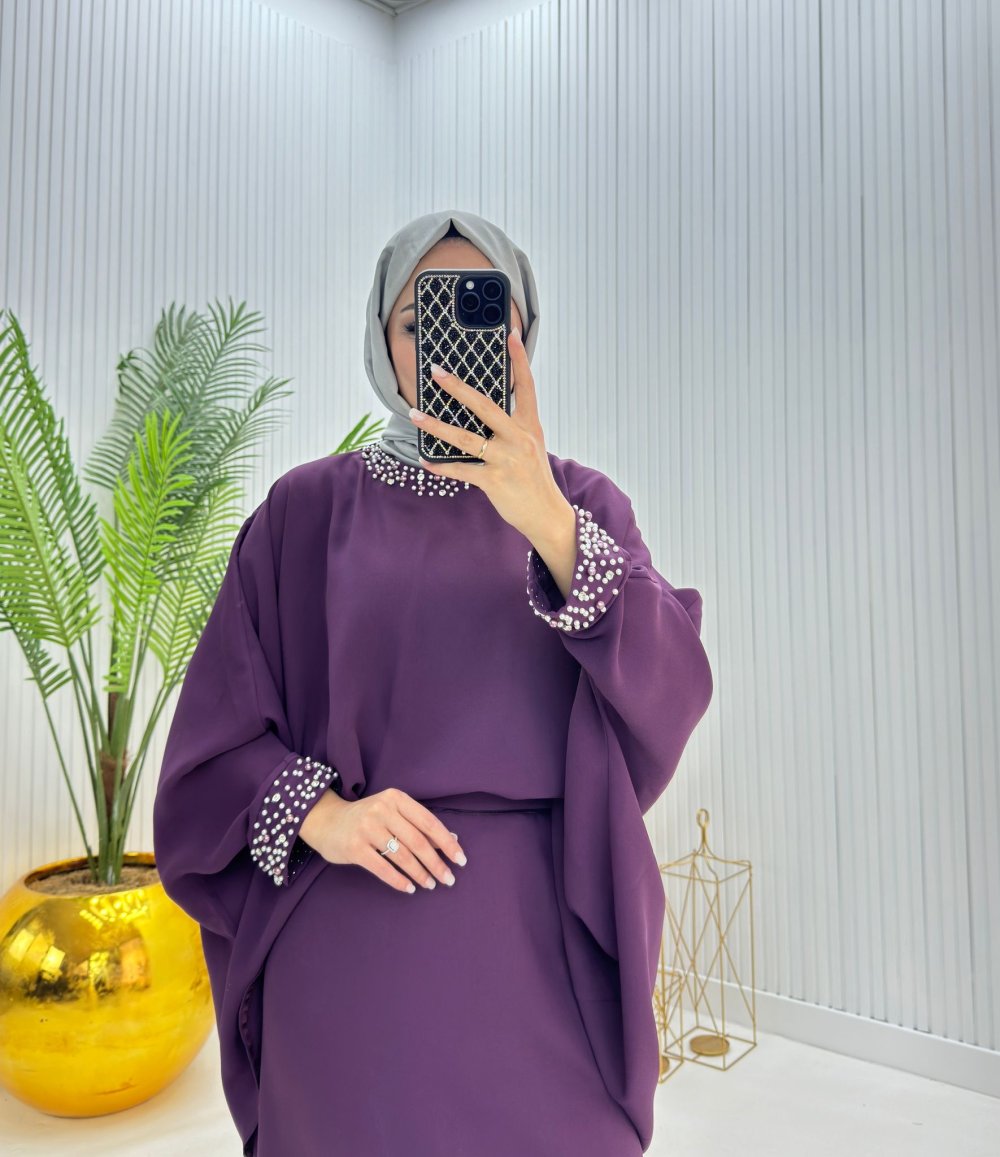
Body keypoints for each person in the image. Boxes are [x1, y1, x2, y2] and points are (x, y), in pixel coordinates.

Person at [152, 209, 713, 1157]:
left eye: (486, 317)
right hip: (346, 951)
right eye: (419, 323)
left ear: (524, 337)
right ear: (383, 341)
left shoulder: (581, 503)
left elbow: (671, 690)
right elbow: (213, 744)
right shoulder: (305, 511)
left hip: (544, 945)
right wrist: (324, 814)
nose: (447, 349)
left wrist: (547, 521)